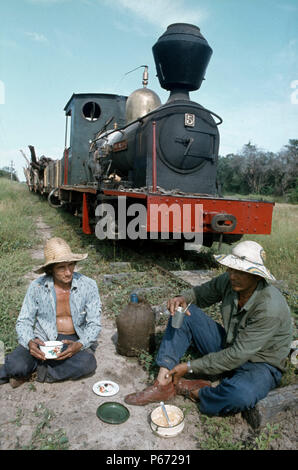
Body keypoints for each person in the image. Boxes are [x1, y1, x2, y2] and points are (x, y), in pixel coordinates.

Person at [125, 241, 293, 416]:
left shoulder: (269, 308)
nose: (232, 275)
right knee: (184, 312)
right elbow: (200, 294)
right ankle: (163, 383)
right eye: (231, 268)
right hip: (230, 346)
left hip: (259, 364)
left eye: (240, 271)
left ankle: (197, 392)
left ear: (257, 276)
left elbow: (238, 355)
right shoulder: (230, 281)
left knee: (241, 395)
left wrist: (189, 366)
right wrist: (182, 298)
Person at [0, 237, 101, 388]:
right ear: (51, 269)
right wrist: (30, 342)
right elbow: (24, 320)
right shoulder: (37, 287)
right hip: (42, 339)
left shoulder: (88, 285)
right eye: (61, 267)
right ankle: (27, 369)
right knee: (16, 364)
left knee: (87, 363)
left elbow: (94, 323)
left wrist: (80, 344)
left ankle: (37, 372)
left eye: (71, 265)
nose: (68, 272)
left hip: (71, 340)